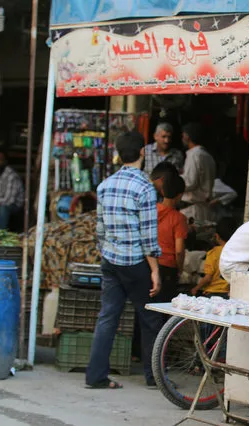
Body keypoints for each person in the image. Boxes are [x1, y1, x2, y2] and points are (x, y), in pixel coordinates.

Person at [86, 131, 162, 389]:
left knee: (108, 317)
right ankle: (154, 378)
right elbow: (149, 236)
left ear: (119, 154)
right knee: (150, 318)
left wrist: (106, 253)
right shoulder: (145, 188)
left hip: (110, 259)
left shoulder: (105, 185)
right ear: (143, 152)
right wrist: (155, 271)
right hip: (135, 263)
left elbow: (100, 229)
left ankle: (95, 376)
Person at [155, 174, 188, 305]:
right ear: (180, 195)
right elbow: (179, 250)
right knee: (163, 306)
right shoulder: (178, 218)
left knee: (145, 308)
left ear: (162, 191)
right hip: (167, 268)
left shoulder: (151, 210)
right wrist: (180, 269)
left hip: (148, 263)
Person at [191, 218, 238, 298]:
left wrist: (196, 288)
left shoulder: (213, 253)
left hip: (212, 293)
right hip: (229, 293)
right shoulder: (237, 252)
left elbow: (208, 278)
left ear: (217, 236)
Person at [180, 123, 216, 223]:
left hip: (193, 210)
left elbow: (190, 182)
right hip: (203, 207)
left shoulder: (194, 154)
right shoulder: (208, 156)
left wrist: (172, 181)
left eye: (183, 135)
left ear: (187, 136)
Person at [0, 151, 24, 230]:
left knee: (3, 208)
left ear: (5, 161)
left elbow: (9, 200)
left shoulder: (12, 175)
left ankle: (0, 235)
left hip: (14, 205)